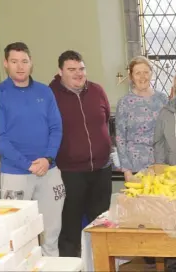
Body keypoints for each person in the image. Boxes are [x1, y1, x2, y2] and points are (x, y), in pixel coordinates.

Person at [0, 42, 65, 257]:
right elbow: (0, 137)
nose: (20, 66)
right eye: (14, 61)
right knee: (16, 235)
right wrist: (26, 164)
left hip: (49, 171)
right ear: (6, 64)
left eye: (24, 61)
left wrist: (47, 158)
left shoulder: (44, 92)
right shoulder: (0, 94)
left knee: (51, 233)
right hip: (15, 174)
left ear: (31, 63)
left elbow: (56, 127)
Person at [49, 50, 112, 257]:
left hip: (102, 169)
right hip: (70, 172)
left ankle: (100, 263)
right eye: (72, 69)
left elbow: (106, 123)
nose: (78, 73)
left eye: (81, 69)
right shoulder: (51, 95)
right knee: (70, 225)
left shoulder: (97, 90)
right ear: (60, 72)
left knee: (101, 224)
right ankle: (71, 264)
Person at [115, 56, 168, 181]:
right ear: (131, 76)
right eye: (138, 73)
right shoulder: (124, 102)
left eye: (146, 72)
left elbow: (170, 131)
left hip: (160, 163)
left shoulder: (163, 99)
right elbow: (120, 137)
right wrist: (126, 170)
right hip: (134, 165)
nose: (142, 77)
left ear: (151, 74)